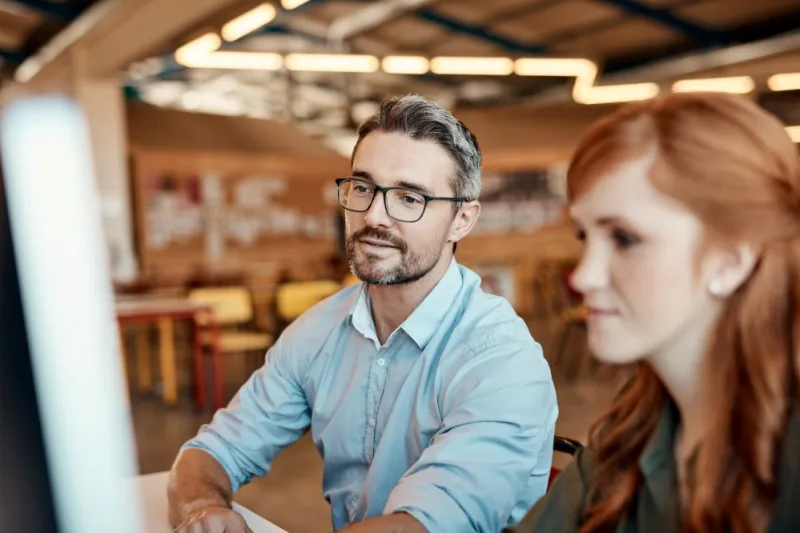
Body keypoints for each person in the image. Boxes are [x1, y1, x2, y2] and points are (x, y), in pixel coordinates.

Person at [168, 94, 558, 533]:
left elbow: (426, 526)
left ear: (461, 220)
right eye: (363, 187)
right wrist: (201, 509)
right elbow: (212, 452)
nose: (374, 215)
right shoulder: (318, 332)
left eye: (410, 198)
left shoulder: (500, 360)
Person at [506, 92, 800, 533]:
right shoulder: (632, 428)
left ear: (731, 261)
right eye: (585, 236)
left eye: (625, 239)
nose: (584, 276)